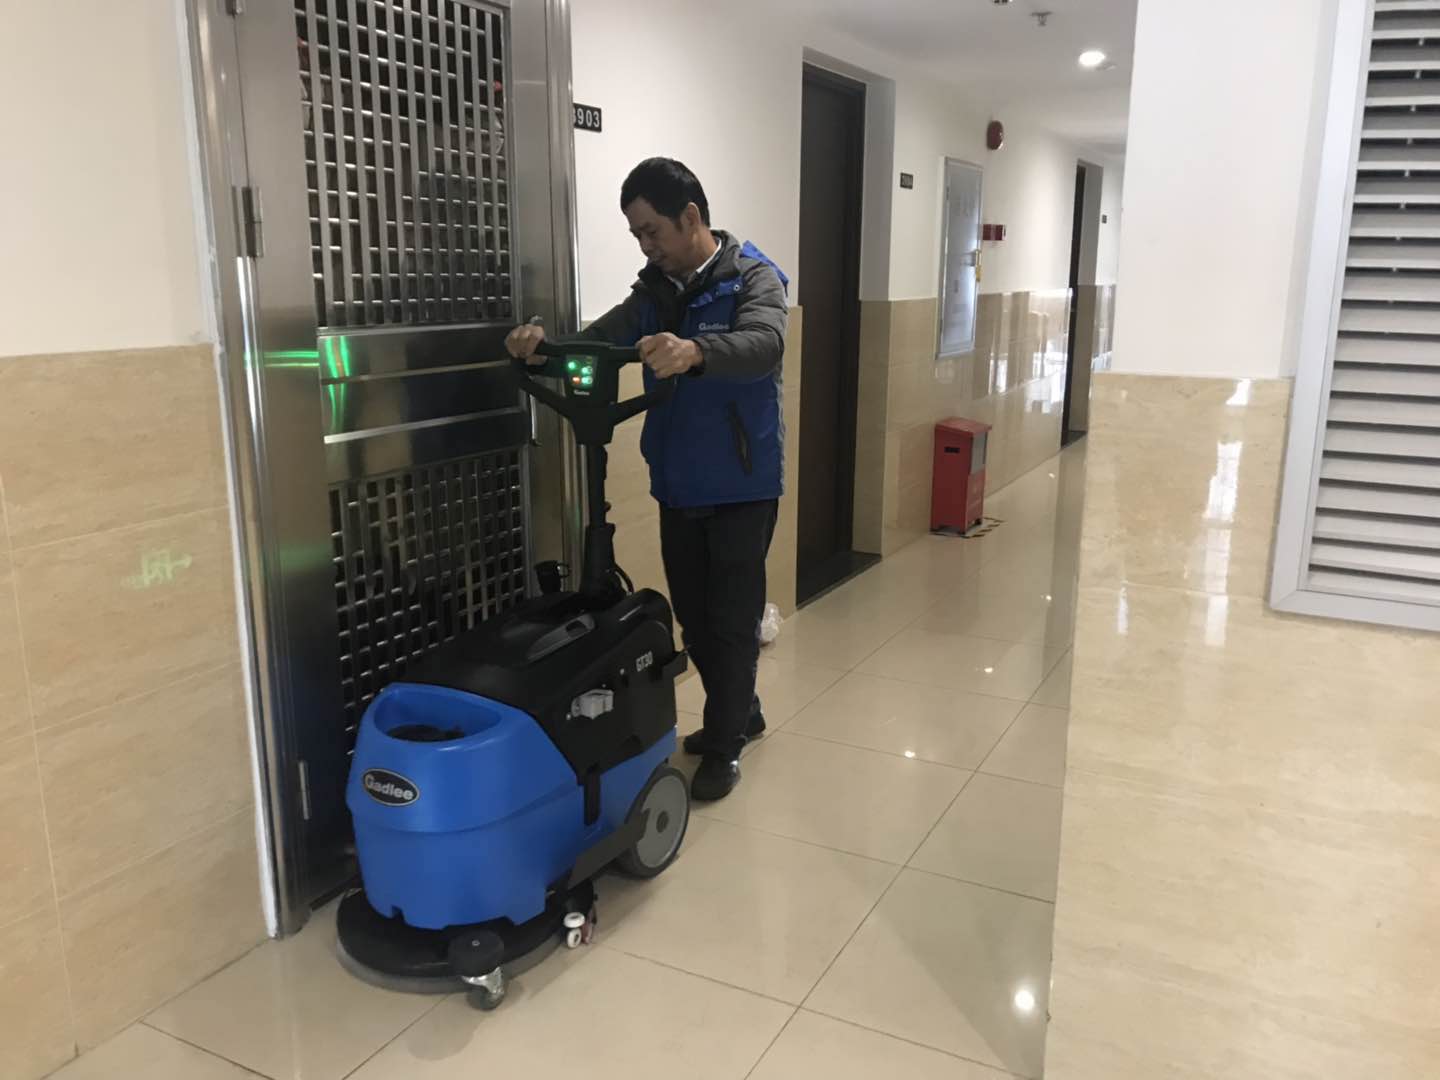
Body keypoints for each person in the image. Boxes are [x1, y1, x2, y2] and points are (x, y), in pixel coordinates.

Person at [506, 157, 788, 802]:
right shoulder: (654, 293)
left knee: (731, 621)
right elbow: (597, 342)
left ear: (690, 217)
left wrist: (696, 351)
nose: (645, 245)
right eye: (636, 234)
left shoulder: (753, 278)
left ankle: (725, 743)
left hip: (743, 486)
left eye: (651, 230)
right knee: (694, 616)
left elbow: (765, 344)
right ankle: (742, 710)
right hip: (679, 483)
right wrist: (541, 349)